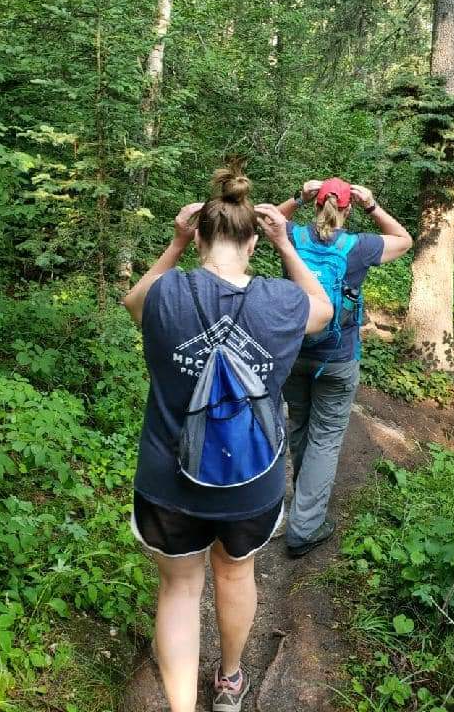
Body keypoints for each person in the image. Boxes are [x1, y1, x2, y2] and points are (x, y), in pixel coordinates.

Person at [122, 163, 332, 712]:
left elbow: (132, 302)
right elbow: (324, 311)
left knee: (179, 590)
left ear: (199, 241)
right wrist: (288, 246)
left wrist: (173, 242)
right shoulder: (282, 302)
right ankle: (231, 682)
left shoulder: (165, 294)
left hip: (168, 481)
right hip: (252, 479)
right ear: (253, 245)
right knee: (236, 573)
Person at [276, 177, 413, 557]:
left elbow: (263, 220)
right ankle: (305, 526)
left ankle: (304, 505)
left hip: (294, 353)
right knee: (325, 437)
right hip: (337, 357)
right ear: (347, 208)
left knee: (300, 426)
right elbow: (404, 240)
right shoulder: (358, 247)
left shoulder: (291, 236)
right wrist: (373, 205)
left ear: (316, 205)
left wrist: (296, 197)